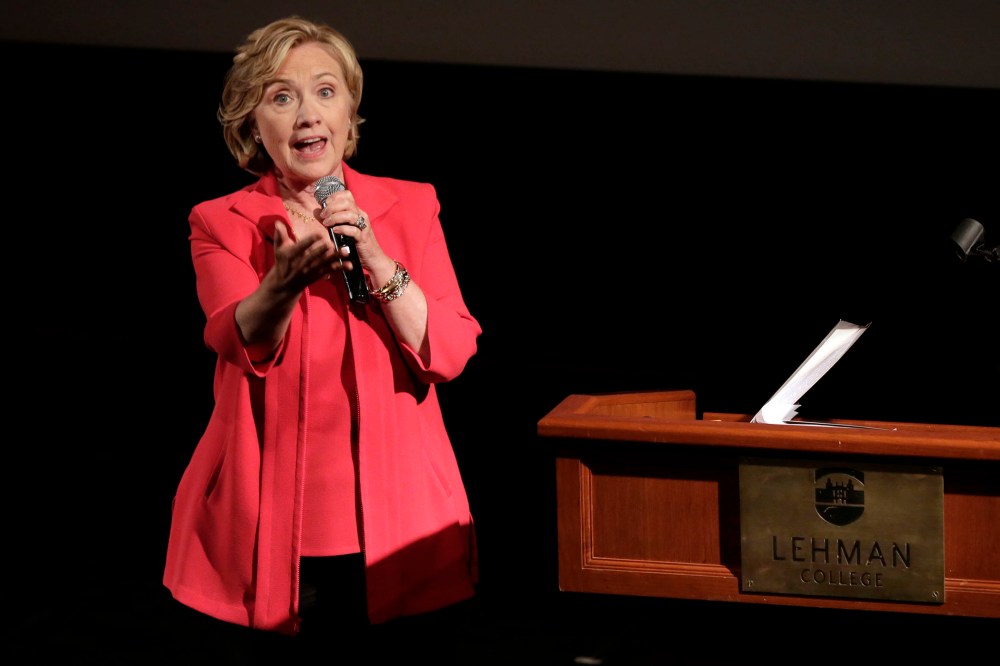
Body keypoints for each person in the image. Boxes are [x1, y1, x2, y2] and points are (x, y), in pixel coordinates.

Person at [163, 15, 482, 662]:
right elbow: (235, 335)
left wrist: (378, 260)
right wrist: (281, 285)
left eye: (325, 91)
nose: (308, 113)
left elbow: (448, 352)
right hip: (264, 526)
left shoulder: (410, 206)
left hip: (404, 522)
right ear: (253, 124)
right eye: (282, 97)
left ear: (348, 111)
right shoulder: (221, 222)